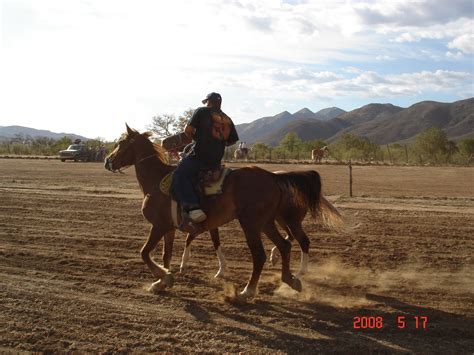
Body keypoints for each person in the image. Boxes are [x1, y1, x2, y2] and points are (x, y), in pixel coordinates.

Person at [171, 92, 239, 223]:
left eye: (206, 102)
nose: (205, 104)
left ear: (209, 101)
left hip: (199, 156)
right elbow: (232, 141)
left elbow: (188, 130)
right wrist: (219, 142)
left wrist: (197, 138)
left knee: (179, 175)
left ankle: (193, 207)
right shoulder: (227, 119)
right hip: (215, 161)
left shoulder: (202, 111)